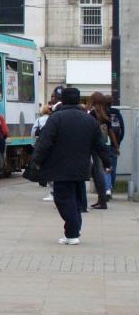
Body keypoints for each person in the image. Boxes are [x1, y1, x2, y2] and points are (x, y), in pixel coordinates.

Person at [32, 87, 110, 245]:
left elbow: (45, 142)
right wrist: (107, 162)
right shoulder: (89, 120)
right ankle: (74, 230)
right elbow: (100, 145)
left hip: (60, 167)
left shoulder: (56, 118)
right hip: (82, 167)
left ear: (63, 99)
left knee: (63, 199)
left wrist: (37, 161)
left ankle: (72, 233)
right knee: (76, 199)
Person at [88, 92, 119, 208]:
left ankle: (102, 200)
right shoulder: (106, 115)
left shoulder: (92, 114)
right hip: (105, 145)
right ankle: (102, 199)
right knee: (99, 172)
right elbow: (111, 132)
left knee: (98, 173)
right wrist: (116, 147)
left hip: (95, 146)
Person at [31, 104, 54, 201]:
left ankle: (43, 181)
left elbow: (33, 131)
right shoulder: (52, 119)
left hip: (41, 142)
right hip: (51, 145)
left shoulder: (39, 120)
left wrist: (33, 142)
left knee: (42, 163)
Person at [105, 95, 124, 196]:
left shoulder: (102, 112)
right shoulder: (117, 113)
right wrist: (118, 144)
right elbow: (122, 130)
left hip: (103, 144)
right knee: (113, 166)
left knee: (105, 167)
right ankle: (111, 187)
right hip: (114, 144)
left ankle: (107, 188)